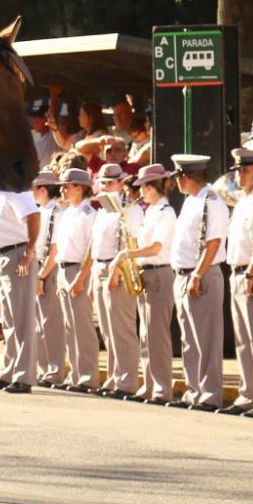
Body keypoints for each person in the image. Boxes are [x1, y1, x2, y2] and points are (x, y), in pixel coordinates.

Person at [112, 164, 176, 404]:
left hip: (159, 272)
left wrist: (126, 255)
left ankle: (161, 389)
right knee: (146, 333)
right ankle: (149, 386)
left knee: (157, 335)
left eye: (143, 187)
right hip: (146, 272)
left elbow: (156, 248)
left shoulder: (165, 212)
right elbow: (140, 240)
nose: (140, 192)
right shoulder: (149, 212)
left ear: (151, 187)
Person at [168, 154, 228, 411]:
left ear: (185, 176)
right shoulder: (192, 201)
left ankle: (209, 394)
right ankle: (194, 390)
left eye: (178, 177)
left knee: (207, 339)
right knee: (190, 339)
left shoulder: (211, 202)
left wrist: (198, 274)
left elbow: (213, 242)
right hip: (184, 274)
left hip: (201, 274)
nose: (177, 182)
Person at [0, 167, 40, 394]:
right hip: (4, 256)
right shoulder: (0, 193)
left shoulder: (15, 192)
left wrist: (29, 251)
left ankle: (24, 376)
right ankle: (10, 372)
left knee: (22, 319)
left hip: (17, 254)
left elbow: (33, 216)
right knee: (10, 320)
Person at [218, 149, 253, 418]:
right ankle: (248, 394)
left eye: (245, 169)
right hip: (238, 271)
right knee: (244, 340)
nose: (239, 173)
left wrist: (251, 273)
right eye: (238, 169)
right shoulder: (243, 201)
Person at [90, 163, 143, 398]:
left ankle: (127, 381)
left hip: (118, 268)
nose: (105, 186)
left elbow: (131, 242)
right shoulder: (103, 209)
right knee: (109, 330)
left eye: (110, 182)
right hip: (100, 267)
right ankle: (114, 377)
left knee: (122, 328)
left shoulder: (130, 209)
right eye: (102, 182)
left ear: (121, 184)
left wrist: (118, 271)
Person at [52, 168, 101, 392]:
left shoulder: (88, 214)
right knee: (70, 327)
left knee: (82, 327)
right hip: (64, 269)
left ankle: (88, 376)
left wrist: (82, 277)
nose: (62, 189)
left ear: (79, 188)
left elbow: (91, 251)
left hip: (78, 269)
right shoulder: (68, 212)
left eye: (67, 185)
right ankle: (75, 374)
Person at [30, 170, 65, 387]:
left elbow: (55, 249)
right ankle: (44, 370)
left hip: (47, 270)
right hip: (39, 269)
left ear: (43, 190)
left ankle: (54, 371)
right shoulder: (42, 212)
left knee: (50, 324)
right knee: (40, 325)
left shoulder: (56, 213)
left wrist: (42, 276)